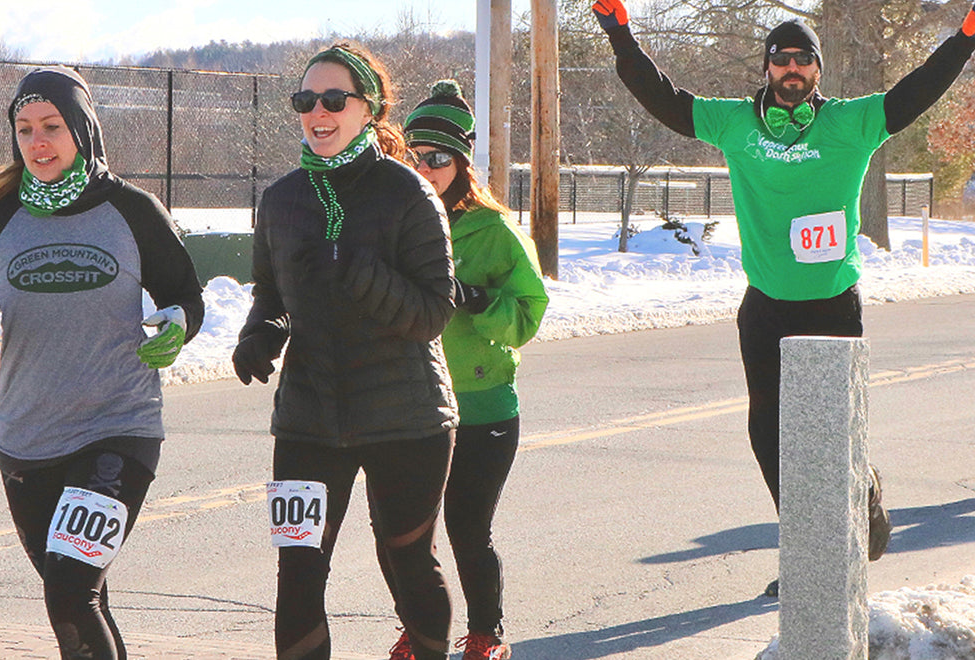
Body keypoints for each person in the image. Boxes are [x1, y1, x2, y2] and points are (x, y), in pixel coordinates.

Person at [592, 0, 975, 593]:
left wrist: (964, 39)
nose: (791, 69)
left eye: (803, 60)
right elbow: (664, 99)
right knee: (770, 437)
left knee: (831, 433)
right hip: (766, 306)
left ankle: (861, 496)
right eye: (781, 59)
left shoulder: (851, 123)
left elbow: (916, 91)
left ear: (818, 71)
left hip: (832, 303)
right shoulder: (735, 123)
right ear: (767, 69)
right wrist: (621, 34)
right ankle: (806, 552)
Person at [0, 66, 204, 658]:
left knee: (70, 593)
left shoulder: (133, 210)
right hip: (27, 437)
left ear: (82, 128)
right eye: (25, 128)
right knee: (80, 600)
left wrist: (176, 327)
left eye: (52, 126)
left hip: (117, 428)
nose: (38, 142)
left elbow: (185, 298)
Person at [231, 43, 458, 660]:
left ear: (369, 109)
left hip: (406, 419)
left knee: (406, 559)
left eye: (334, 99)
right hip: (308, 417)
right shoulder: (280, 200)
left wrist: (363, 274)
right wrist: (260, 336)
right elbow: (273, 294)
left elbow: (435, 311)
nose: (318, 113)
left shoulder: (407, 193)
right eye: (306, 101)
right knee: (298, 571)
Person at [385, 80, 549, 660]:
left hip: (483, 405)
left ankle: (485, 634)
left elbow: (529, 315)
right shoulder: (393, 221)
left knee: (466, 528)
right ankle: (419, 629)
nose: (426, 168)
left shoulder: (496, 230)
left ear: (461, 162)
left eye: (439, 158)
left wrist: (480, 301)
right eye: (416, 157)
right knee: (404, 535)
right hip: (412, 402)